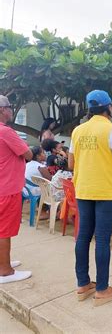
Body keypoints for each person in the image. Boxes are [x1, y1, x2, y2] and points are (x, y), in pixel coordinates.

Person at [69, 90, 112, 306]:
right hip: (105, 191)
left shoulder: (77, 131)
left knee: (83, 236)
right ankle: (102, 289)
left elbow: (70, 164)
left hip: (84, 189)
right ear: (108, 108)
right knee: (102, 239)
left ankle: (83, 284)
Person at [0, 95, 33, 284]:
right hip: (7, 187)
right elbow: (27, 153)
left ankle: (3, 262)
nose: (12, 110)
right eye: (10, 107)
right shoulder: (6, 132)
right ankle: (5, 270)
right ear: (2, 110)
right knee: (5, 230)